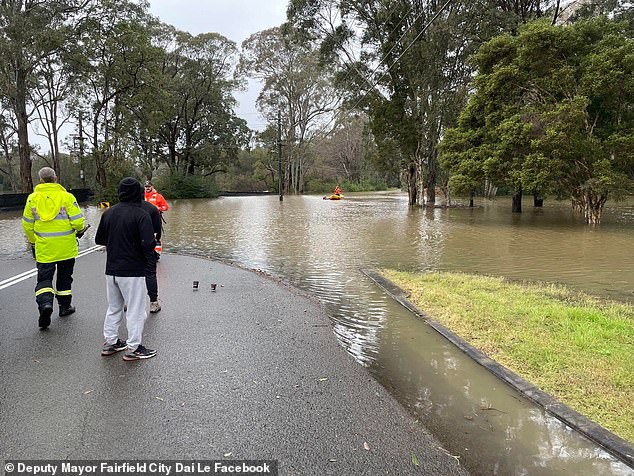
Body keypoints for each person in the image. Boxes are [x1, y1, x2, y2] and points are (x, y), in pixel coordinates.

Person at [95, 177, 157, 361]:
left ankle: (111, 342)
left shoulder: (109, 213)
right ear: (138, 193)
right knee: (136, 311)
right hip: (133, 271)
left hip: (112, 269)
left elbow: (99, 240)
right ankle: (134, 347)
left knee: (114, 307)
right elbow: (148, 244)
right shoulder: (141, 215)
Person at [22, 167, 85, 329]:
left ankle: (45, 305)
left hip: (44, 249)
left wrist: (33, 242)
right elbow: (78, 222)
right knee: (64, 278)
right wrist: (78, 230)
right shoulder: (67, 197)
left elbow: (27, 225)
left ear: (41, 180)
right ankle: (65, 307)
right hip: (66, 248)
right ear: (55, 178)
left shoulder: (32, 199)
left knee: (44, 279)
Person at [141, 200, 162, 313]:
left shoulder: (116, 210)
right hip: (146, 246)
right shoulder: (151, 208)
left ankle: (127, 302)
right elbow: (157, 230)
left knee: (129, 275)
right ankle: (153, 303)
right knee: (150, 274)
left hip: (127, 248)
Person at [144, 180, 168, 256]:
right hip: (143, 220)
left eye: (149, 187)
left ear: (152, 187)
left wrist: (159, 208)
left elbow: (166, 207)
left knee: (157, 237)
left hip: (155, 220)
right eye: (146, 187)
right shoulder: (141, 196)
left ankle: (157, 254)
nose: (147, 188)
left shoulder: (159, 196)